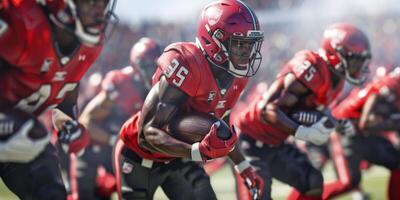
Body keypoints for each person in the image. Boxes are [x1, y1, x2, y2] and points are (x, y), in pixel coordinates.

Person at [113, 0, 265, 199]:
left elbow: (222, 124)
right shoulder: (187, 64)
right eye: (240, 44)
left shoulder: (238, 77)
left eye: (250, 45)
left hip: (179, 157)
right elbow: (147, 134)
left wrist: (243, 165)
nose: (247, 53)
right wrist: (196, 152)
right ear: (214, 40)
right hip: (139, 156)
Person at [231, 22, 371, 200]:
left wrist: (337, 124)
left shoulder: (337, 81)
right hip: (249, 140)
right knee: (259, 194)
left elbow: (307, 110)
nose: (358, 67)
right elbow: (266, 109)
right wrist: (301, 131)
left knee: (312, 181)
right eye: (355, 59)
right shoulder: (310, 66)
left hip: (276, 142)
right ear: (336, 53)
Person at [0, 0, 117, 199]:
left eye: (104, 2)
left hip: (23, 136)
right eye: (91, 1)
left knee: (52, 193)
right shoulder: (21, 21)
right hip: (15, 130)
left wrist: (69, 124)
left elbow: (65, 99)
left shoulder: (88, 47)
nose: (99, 9)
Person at [77, 37, 162, 200]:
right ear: (135, 65)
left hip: (125, 151)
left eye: (155, 66)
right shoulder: (121, 83)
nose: (152, 71)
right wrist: (112, 139)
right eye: (147, 66)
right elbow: (86, 120)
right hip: (97, 150)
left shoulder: (162, 88)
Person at [324, 68, 400, 200]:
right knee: (348, 182)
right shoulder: (389, 85)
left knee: (397, 162)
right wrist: (389, 122)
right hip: (344, 130)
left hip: (363, 134)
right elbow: (367, 120)